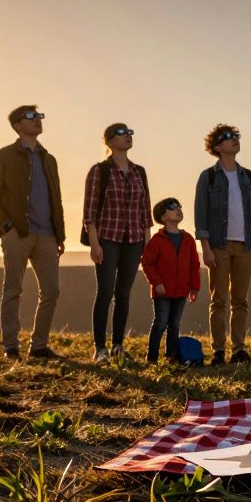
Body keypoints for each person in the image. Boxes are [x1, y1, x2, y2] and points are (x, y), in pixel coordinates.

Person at [0, 104, 66, 361]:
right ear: (17, 126)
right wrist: (8, 227)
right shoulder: (2, 156)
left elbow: (56, 199)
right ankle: (10, 347)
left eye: (39, 116)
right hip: (18, 234)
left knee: (51, 291)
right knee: (13, 290)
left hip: (48, 236)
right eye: (30, 116)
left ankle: (39, 346)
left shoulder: (49, 159)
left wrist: (59, 235)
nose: (37, 120)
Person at [194, 124, 251, 366]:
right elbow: (200, 214)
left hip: (245, 245)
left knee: (241, 300)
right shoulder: (209, 176)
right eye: (228, 137)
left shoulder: (249, 176)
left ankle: (239, 350)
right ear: (217, 147)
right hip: (218, 246)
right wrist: (205, 248)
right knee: (219, 299)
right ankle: (218, 352)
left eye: (236, 136)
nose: (234, 140)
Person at [83, 123, 152, 364]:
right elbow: (90, 212)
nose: (128, 137)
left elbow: (145, 211)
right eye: (122, 134)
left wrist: (147, 242)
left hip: (133, 240)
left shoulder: (139, 172)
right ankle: (100, 348)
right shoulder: (100, 171)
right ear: (110, 142)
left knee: (123, 294)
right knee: (104, 293)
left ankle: (118, 346)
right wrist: (94, 243)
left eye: (130, 133)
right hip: (107, 239)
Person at [141, 197, 200, 363]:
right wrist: (157, 283)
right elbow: (147, 263)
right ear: (163, 216)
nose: (178, 209)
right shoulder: (157, 241)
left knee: (174, 325)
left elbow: (194, 264)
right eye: (172, 207)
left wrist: (194, 288)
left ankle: (171, 357)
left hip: (182, 290)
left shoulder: (188, 239)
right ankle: (151, 358)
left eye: (179, 206)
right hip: (162, 291)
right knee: (160, 323)